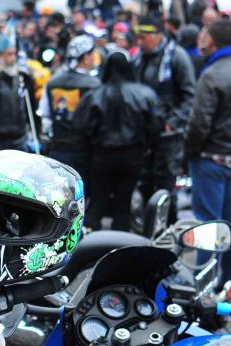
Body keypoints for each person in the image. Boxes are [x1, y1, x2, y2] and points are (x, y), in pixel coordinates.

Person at [74, 51, 160, 231]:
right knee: (124, 199)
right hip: (132, 155)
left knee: (98, 199)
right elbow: (154, 126)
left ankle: (91, 242)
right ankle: (121, 240)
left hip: (102, 155)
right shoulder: (144, 94)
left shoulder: (95, 94)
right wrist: (146, 147)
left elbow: (81, 125)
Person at [134, 16, 197, 220]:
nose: (140, 42)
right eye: (138, 38)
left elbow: (190, 96)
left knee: (166, 182)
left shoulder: (177, 57)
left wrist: (173, 122)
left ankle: (167, 227)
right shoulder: (138, 59)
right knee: (144, 180)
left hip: (169, 135)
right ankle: (147, 227)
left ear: (157, 35)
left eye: (144, 38)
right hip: (145, 133)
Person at [185, 19, 231, 281]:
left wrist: (188, 151)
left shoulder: (212, 73)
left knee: (210, 227)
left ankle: (205, 285)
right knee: (226, 226)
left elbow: (199, 122)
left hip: (210, 160)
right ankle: (225, 285)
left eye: (204, 35)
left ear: (212, 41)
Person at [40, 35, 101, 182]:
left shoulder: (53, 81)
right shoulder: (94, 84)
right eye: (92, 54)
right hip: (85, 150)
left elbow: (45, 114)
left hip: (58, 147)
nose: (94, 58)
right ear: (85, 57)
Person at [0, 35, 39, 151]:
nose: (13, 58)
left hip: (20, 137)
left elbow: (31, 108)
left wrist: (37, 133)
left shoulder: (22, 77)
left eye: (14, 54)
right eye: (8, 54)